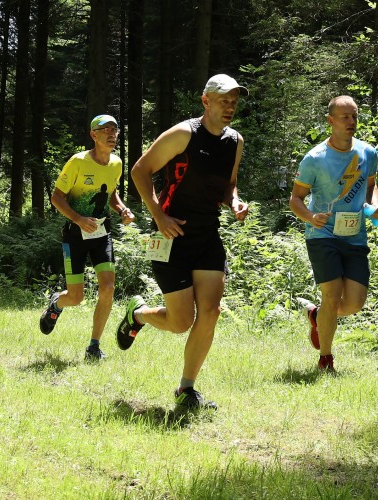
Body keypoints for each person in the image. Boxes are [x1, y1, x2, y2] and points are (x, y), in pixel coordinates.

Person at [116, 74, 249, 410]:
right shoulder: (183, 134)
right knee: (180, 322)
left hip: (207, 236)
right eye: (223, 100)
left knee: (211, 311)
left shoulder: (235, 141)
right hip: (169, 236)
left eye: (234, 101)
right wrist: (158, 216)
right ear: (206, 101)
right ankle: (139, 314)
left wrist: (234, 202)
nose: (230, 107)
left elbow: (229, 184)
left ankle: (186, 390)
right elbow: (140, 171)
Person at [289, 96, 378, 372]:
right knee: (332, 295)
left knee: (354, 303)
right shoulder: (315, 159)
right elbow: (295, 199)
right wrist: (310, 217)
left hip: (355, 236)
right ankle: (326, 360)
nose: (351, 122)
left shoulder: (368, 153)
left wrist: (374, 207)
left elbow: (370, 186)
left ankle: (318, 315)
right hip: (323, 235)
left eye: (354, 116)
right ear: (330, 121)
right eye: (344, 117)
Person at [40, 114, 135, 360]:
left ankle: (94, 346)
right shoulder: (78, 162)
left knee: (108, 287)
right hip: (75, 234)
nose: (112, 134)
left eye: (115, 130)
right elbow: (56, 197)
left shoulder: (116, 163)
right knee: (76, 296)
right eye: (106, 130)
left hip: (102, 233)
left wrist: (122, 209)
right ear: (94, 135)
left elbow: (111, 196)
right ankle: (56, 304)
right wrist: (79, 219)